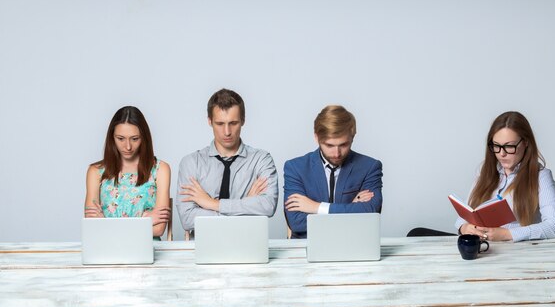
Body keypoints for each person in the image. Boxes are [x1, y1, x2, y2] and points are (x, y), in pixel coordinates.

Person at [177, 88, 278, 234]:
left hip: (248, 242)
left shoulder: (261, 160)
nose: (227, 132)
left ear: (243, 120)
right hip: (205, 244)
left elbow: (267, 206)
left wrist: (212, 204)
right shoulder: (191, 163)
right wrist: (245, 206)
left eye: (233, 123)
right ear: (209, 121)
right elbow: (187, 219)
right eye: (219, 124)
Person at [456, 111, 555, 242]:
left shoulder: (540, 176)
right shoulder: (485, 170)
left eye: (509, 146)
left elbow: (553, 227)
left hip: (520, 255)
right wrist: (464, 227)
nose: (501, 154)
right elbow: (465, 213)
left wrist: (508, 234)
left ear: (526, 142)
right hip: (484, 251)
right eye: (496, 146)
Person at [284, 105, 383, 239]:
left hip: (353, 244)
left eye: (343, 145)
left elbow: (371, 213)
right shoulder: (296, 168)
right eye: (329, 145)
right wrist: (350, 208)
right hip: (307, 247)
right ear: (316, 137)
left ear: (353, 137)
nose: (337, 153)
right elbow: (297, 222)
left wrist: (317, 207)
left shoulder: (370, 167)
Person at [85, 106, 171, 238]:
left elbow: (159, 229)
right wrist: (143, 222)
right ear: (112, 138)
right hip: (107, 248)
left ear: (144, 138)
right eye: (120, 138)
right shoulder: (96, 171)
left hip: (145, 248)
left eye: (135, 139)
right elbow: (92, 228)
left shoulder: (160, 169)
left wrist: (106, 224)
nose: (128, 146)